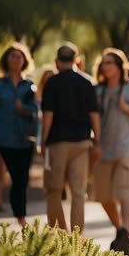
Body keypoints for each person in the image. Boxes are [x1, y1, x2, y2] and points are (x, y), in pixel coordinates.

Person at [40, 42, 100, 233]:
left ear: (57, 62)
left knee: (54, 190)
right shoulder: (87, 82)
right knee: (79, 192)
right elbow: (94, 115)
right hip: (82, 142)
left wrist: (43, 140)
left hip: (57, 142)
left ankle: (60, 235)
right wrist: (96, 139)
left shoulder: (51, 83)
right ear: (76, 60)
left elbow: (48, 116)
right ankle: (76, 238)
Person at [93, 48, 129, 255]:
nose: (106, 66)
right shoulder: (97, 90)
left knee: (124, 192)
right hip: (102, 149)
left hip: (125, 148)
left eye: (110, 63)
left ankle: (125, 229)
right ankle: (120, 230)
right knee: (104, 196)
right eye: (104, 63)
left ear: (119, 66)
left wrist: (125, 107)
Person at [0, 42, 39, 227]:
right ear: (6, 60)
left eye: (19, 56)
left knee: (22, 178)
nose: (16, 59)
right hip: (2, 139)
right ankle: (18, 214)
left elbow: (35, 111)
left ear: (24, 60)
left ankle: (20, 216)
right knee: (6, 176)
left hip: (25, 140)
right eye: (12, 56)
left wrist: (24, 109)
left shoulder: (30, 86)